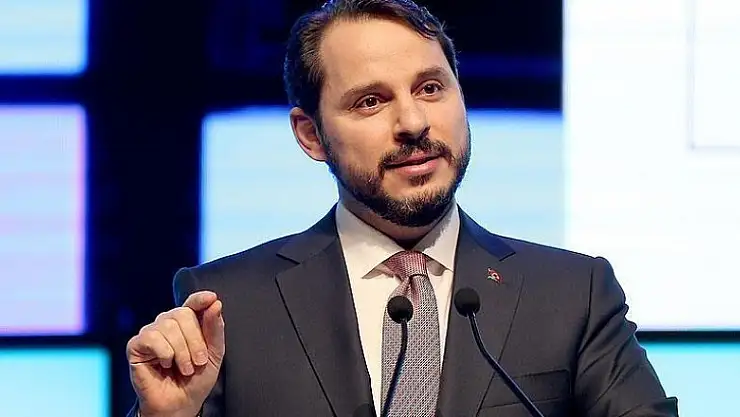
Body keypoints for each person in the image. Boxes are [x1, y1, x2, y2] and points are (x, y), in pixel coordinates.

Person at [125, 1, 679, 416]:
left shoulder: (572, 294)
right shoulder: (229, 305)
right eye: (371, 101)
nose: (413, 123)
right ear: (311, 135)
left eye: (431, 88)